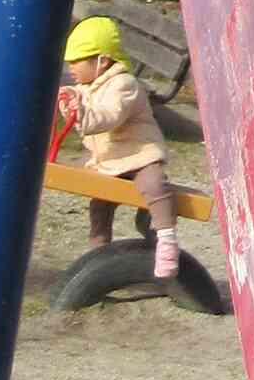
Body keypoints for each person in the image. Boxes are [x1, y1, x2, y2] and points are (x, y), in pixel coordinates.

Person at [58, 16, 178, 280]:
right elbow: (84, 116)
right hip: (111, 161)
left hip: (139, 155)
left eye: (77, 60)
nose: (71, 66)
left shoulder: (124, 84)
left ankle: (167, 240)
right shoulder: (87, 87)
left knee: (154, 185)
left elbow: (109, 116)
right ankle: (99, 254)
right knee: (100, 203)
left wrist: (84, 113)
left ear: (101, 60)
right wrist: (71, 107)